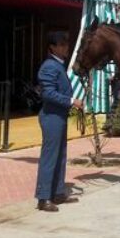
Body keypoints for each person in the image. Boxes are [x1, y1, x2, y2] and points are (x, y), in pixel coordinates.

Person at [35, 32, 83, 212]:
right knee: (50, 157)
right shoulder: (50, 66)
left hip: (59, 116)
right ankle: (43, 197)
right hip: (51, 116)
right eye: (61, 45)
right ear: (52, 47)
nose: (65, 47)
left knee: (60, 155)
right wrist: (72, 101)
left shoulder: (58, 65)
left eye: (66, 44)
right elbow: (48, 93)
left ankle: (58, 192)